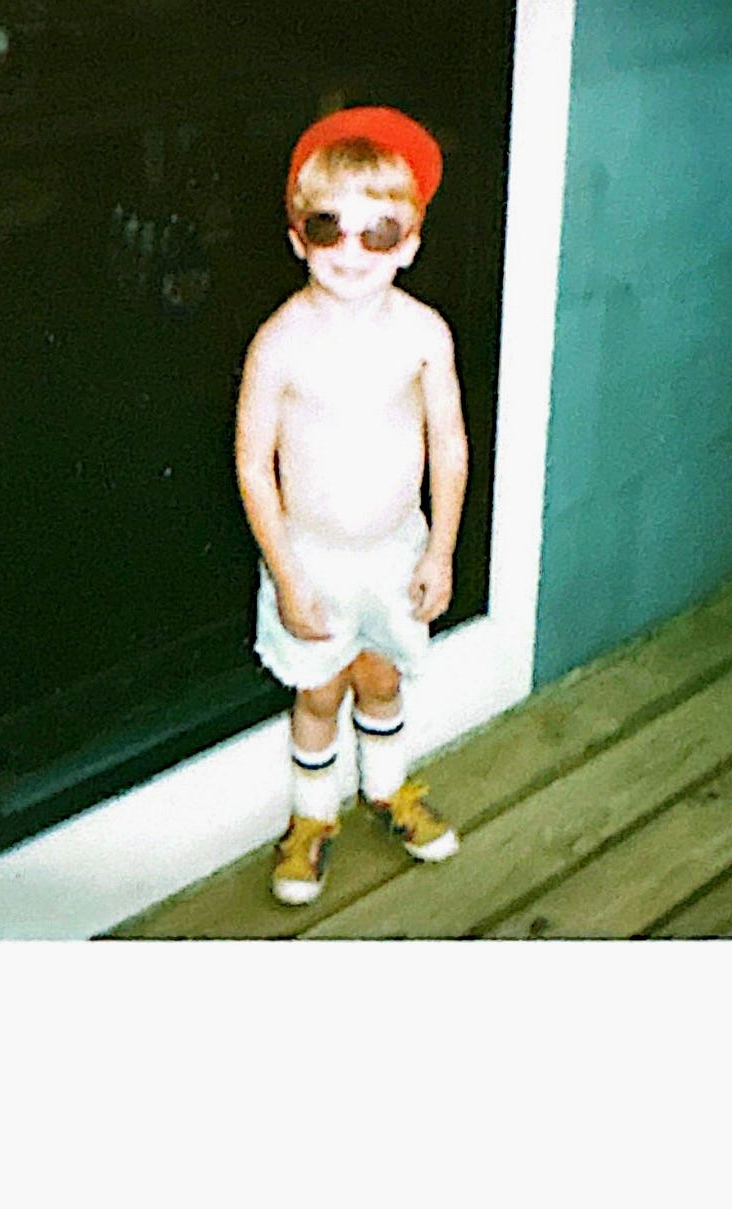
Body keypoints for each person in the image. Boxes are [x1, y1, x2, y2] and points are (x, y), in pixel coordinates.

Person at [234, 106, 468, 905]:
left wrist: (440, 552)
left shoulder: (426, 334)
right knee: (319, 690)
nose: (350, 252)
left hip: (396, 550)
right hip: (314, 559)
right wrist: (288, 576)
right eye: (328, 228)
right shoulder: (280, 340)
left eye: (378, 232)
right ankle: (311, 815)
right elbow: (253, 466)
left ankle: (388, 789)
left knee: (379, 677)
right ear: (297, 235)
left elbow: (451, 446)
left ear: (410, 243)